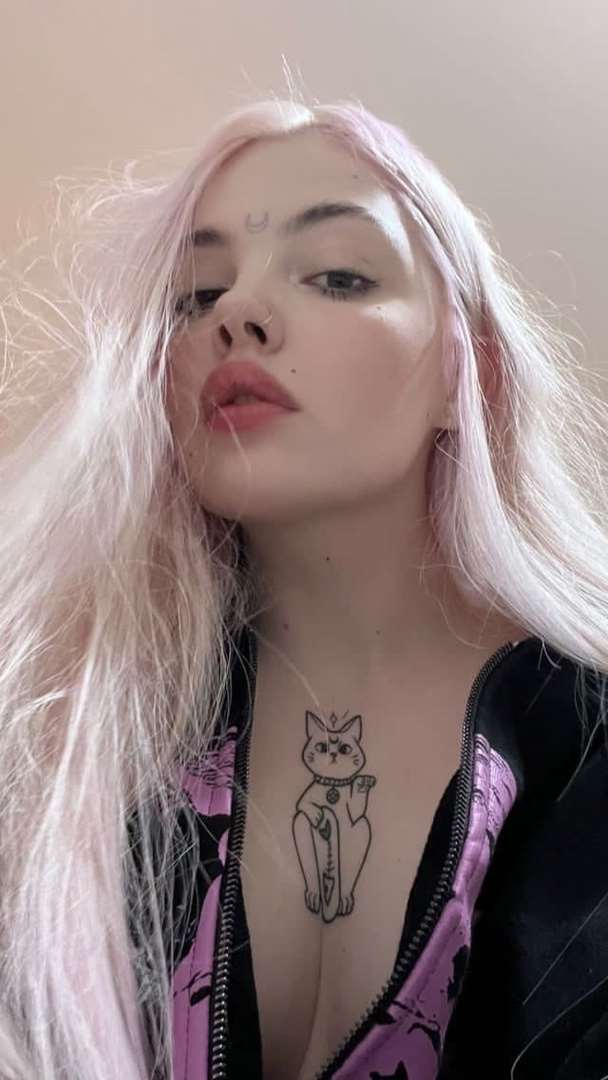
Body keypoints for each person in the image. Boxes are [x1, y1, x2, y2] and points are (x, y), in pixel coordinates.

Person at [0, 93, 606, 1080]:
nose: (233, 313)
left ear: (468, 370)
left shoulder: (586, 743)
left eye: (336, 274)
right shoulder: (64, 750)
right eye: (195, 294)